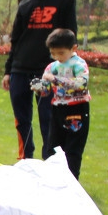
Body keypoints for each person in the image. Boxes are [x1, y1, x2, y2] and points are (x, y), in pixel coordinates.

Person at [3, 0, 78, 161]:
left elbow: (70, 36)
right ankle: (25, 160)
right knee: (22, 118)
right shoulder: (25, 4)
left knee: (48, 118)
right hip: (21, 69)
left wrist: (67, 68)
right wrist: (9, 70)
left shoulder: (65, 0)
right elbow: (16, 39)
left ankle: (50, 164)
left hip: (48, 72)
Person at [37, 28, 91, 179]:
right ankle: (52, 180)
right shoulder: (52, 67)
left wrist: (55, 80)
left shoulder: (79, 64)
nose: (57, 57)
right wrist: (39, 87)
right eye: (53, 53)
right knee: (53, 147)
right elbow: (46, 91)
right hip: (58, 110)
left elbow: (82, 84)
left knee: (72, 149)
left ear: (73, 48)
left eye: (61, 53)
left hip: (76, 110)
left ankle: (71, 182)